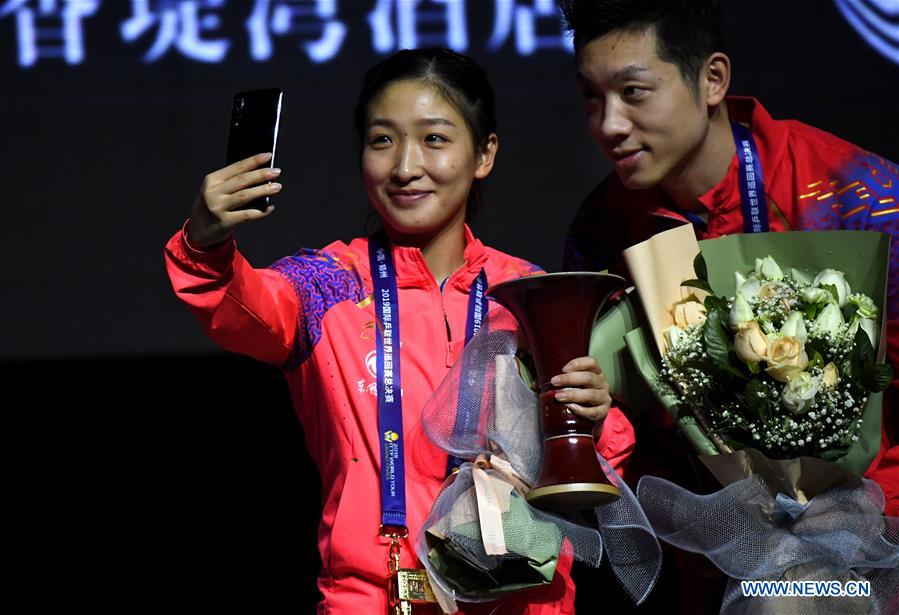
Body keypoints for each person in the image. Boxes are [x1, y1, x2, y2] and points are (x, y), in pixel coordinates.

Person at [164, 48, 636, 613]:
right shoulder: (327, 287)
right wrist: (206, 241)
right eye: (382, 140)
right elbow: (239, 304)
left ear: (484, 153)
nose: (405, 166)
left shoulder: (531, 294)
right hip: (372, 599)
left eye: (435, 138)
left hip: (524, 600)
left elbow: (598, 460)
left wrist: (594, 413)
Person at [557, 0, 898, 516]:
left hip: (871, 531)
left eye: (633, 93)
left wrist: (867, 517)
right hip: (706, 547)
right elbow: (627, 415)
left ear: (712, 79)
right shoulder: (602, 231)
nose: (609, 125)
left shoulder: (852, 192)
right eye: (590, 97)